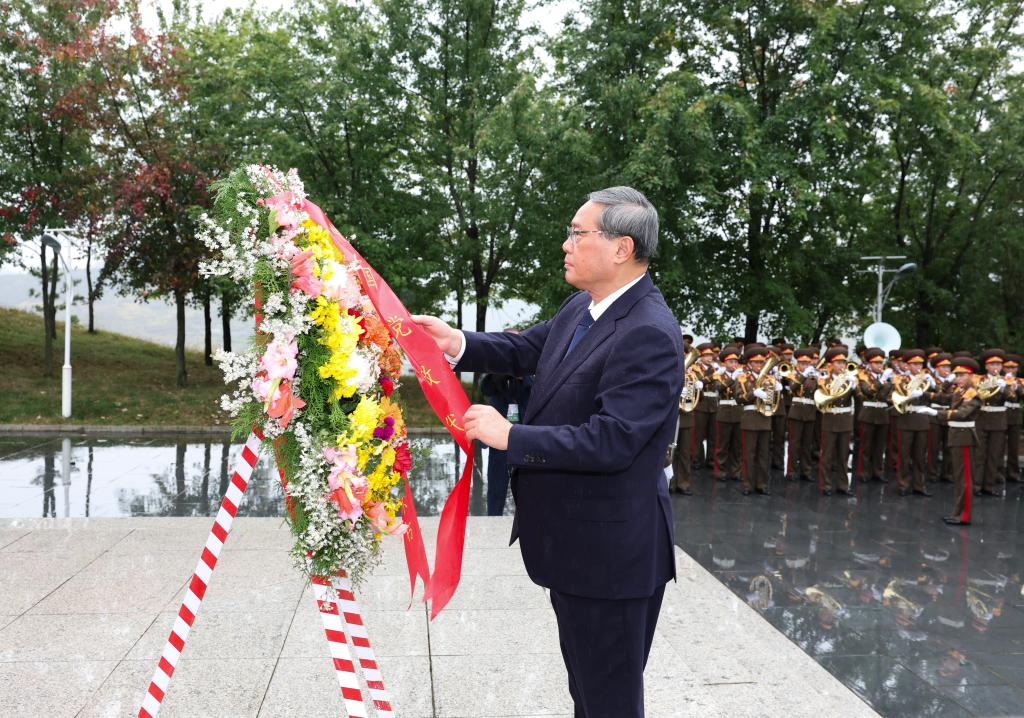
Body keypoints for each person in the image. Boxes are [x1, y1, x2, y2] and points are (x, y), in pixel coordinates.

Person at [413, 186, 681, 718]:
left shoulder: (648, 331)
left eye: (578, 234)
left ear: (621, 248)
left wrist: (510, 437)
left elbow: (612, 440)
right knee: (588, 692)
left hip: (611, 559)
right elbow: (527, 349)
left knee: (608, 702)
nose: (566, 244)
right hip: (577, 548)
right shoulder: (584, 306)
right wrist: (456, 343)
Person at [933, 357, 982, 525]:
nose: (958, 378)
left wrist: (937, 414)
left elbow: (962, 414)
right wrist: (921, 395)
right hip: (957, 436)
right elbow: (944, 398)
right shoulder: (959, 391)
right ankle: (957, 513)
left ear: (971, 376)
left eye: (962, 375)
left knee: (965, 479)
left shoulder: (972, 394)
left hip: (964, 437)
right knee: (959, 478)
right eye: (957, 375)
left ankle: (964, 516)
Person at [479, 368, 534, 516]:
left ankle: (527, 519)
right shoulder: (496, 376)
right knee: (496, 487)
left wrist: (521, 377)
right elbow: (485, 389)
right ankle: (493, 518)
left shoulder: (527, 376)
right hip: (498, 440)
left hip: (522, 437)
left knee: (526, 486)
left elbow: (533, 392)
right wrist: (498, 373)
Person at [735, 345, 777, 495]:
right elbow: (738, 398)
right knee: (749, 454)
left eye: (761, 362)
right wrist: (753, 393)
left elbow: (773, 402)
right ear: (749, 364)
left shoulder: (769, 379)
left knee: (764, 454)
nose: (759, 365)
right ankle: (747, 485)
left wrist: (776, 391)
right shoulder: (742, 378)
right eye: (756, 362)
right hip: (750, 419)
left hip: (765, 419)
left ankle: (762, 484)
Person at [817, 346, 857, 495]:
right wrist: (839, 383)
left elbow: (859, 397)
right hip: (830, 420)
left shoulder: (850, 380)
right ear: (831, 364)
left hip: (845, 421)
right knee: (827, 455)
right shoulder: (824, 380)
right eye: (838, 362)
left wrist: (855, 386)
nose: (842, 366)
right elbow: (824, 395)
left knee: (843, 455)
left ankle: (843, 485)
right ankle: (825, 486)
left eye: (843, 363)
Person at [785, 347, 818, 483]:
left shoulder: (814, 376)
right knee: (794, 444)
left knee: (807, 444)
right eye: (802, 363)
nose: (805, 366)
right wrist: (804, 375)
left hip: (810, 412)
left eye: (807, 363)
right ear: (797, 363)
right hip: (796, 412)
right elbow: (792, 387)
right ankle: (791, 471)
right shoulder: (792, 374)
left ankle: (806, 471)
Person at [711, 345, 743, 483]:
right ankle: (720, 471)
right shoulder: (719, 374)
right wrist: (732, 379)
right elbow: (718, 387)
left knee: (737, 445)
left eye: (735, 362)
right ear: (724, 363)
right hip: (724, 412)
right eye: (731, 362)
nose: (734, 364)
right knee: (722, 445)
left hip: (738, 412)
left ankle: (736, 471)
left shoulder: (741, 376)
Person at [691, 342, 719, 471]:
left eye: (711, 355)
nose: (709, 358)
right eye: (706, 355)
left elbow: (719, 385)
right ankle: (696, 459)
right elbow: (697, 383)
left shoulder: (716, 369)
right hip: (701, 403)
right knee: (698, 434)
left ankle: (711, 459)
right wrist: (710, 378)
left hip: (713, 403)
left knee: (713, 435)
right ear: (701, 356)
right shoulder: (695, 368)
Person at [1004, 354, 1022, 484]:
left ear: (1017, 368)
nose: (1010, 370)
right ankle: (997, 474)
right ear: (1003, 368)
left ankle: (1013, 473)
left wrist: (1017, 387)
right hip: (1001, 415)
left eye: (1013, 367)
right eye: (1008, 367)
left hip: (1015, 417)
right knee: (998, 447)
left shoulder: (1020, 381)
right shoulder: (998, 380)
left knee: (1013, 447)